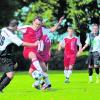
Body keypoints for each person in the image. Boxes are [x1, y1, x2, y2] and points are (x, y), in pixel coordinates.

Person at [18, 16, 64, 89]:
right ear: (33, 22)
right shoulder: (26, 28)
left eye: (39, 24)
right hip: (28, 50)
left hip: (36, 52)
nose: (37, 26)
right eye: (36, 24)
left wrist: (59, 23)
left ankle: (45, 85)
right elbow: (14, 29)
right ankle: (40, 77)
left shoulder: (42, 29)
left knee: (44, 69)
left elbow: (52, 30)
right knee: (35, 60)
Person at [0, 19, 40, 92]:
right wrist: (34, 44)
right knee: (10, 75)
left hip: (8, 53)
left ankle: (1, 80)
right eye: (17, 27)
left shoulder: (4, 29)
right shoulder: (12, 35)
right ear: (15, 26)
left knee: (15, 65)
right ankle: (1, 87)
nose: (17, 29)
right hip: (4, 55)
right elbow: (22, 43)